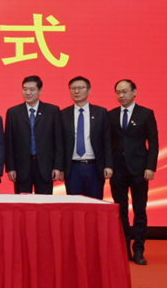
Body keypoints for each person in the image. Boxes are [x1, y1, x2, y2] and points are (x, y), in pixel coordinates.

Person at [109, 79, 158, 265]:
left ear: (134, 92)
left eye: (125, 91)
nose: (121, 95)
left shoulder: (146, 113)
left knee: (139, 210)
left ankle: (139, 250)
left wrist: (150, 167)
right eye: (118, 92)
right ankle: (124, 248)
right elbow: (107, 144)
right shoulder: (111, 115)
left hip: (139, 169)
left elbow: (153, 143)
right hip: (117, 170)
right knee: (120, 210)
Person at [5, 75, 63, 194]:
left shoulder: (52, 111)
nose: (28, 92)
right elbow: (9, 142)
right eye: (25, 89)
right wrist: (10, 168)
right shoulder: (13, 112)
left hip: (45, 166)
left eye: (32, 89)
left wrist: (57, 167)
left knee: (44, 202)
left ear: (40, 91)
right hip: (21, 167)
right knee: (22, 202)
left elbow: (58, 141)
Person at [61, 76, 112, 200]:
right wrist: (59, 167)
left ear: (89, 90)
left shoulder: (100, 112)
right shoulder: (63, 114)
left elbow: (107, 141)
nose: (76, 91)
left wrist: (108, 165)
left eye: (81, 88)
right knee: (74, 205)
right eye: (73, 88)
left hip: (94, 167)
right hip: (72, 168)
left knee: (95, 204)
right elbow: (59, 143)